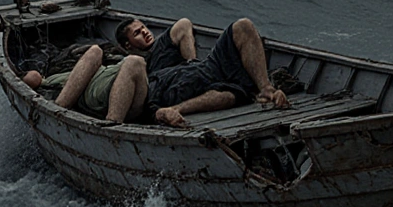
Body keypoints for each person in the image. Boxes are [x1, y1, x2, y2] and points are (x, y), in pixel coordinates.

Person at [116, 16, 290, 127]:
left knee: (243, 26)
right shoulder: (137, 65)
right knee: (229, 97)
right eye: (137, 33)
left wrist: (191, 60)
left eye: (144, 27)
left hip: (204, 68)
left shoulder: (163, 43)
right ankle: (175, 109)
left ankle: (266, 89)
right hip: (178, 86)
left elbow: (184, 25)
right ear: (128, 45)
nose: (145, 32)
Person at [21, 44, 148, 123]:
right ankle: (112, 123)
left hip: (122, 80)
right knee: (98, 52)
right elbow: (30, 79)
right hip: (101, 94)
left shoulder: (61, 71)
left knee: (100, 52)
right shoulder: (49, 82)